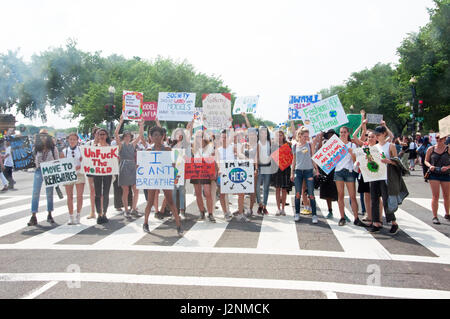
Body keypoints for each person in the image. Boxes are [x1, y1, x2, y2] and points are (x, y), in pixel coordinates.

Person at [142, 126, 184, 236]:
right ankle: (145, 223)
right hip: (153, 178)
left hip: (164, 178)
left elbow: (173, 164)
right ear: (150, 137)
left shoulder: (167, 149)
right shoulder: (149, 150)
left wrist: (172, 173)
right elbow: (144, 165)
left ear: (162, 136)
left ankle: (179, 225)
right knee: (150, 202)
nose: (157, 137)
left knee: (170, 202)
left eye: (159, 135)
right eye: (154, 135)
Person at [369, 125, 403, 234]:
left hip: (386, 176)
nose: (377, 137)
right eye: (376, 135)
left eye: (378, 135)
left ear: (384, 134)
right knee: (374, 199)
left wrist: (389, 161)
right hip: (375, 176)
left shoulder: (390, 146)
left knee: (386, 199)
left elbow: (397, 162)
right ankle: (376, 222)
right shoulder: (374, 147)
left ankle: (393, 222)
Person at [334, 126, 365, 227]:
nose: (342, 134)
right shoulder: (335, 145)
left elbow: (356, 160)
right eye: (341, 132)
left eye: (344, 132)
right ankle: (342, 217)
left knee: (352, 196)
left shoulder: (352, 145)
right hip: (338, 171)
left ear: (348, 133)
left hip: (349, 171)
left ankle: (356, 218)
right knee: (340, 195)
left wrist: (351, 153)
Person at [27, 130, 59, 226]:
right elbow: (31, 160)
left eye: (45, 136)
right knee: (35, 193)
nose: (43, 138)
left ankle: (49, 214)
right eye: (41, 136)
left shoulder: (53, 149)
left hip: (50, 171)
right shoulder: (36, 148)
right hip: (38, 170)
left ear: (48, 137)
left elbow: (57, 161)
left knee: (49, 193)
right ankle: (33, 215)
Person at [115, 115, 144, 218]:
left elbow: (140, 136)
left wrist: (141, 124)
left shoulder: (133, 144)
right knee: (125, 190)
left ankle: (133, 208)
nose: (127, 137)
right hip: (123, 167)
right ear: (124, 137)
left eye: (129, 136)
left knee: (136, 189)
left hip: (132, 167)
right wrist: (121, 121)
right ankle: (126, 209)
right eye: (126, 136)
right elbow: (115, 134)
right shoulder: (121, 145)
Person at [217, 129, 248, 222]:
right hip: (223, 174)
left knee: (241, 193)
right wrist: (219, 168)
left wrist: (247, 159)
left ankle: (241, 213)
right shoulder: (218, 150)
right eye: (222, 137)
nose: (224, 139)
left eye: (225, 137)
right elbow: (218, 160)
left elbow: (239, 154)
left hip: (233, 173)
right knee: (222, 194)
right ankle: (226, 213)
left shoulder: (232, 147)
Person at [290, 126, 319, 223]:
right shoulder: (294, 146)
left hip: (308, 171)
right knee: (297, 194)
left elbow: (313, 158)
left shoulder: (310, 145)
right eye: (304, 136)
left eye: (307, 136)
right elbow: (293, 160)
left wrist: (317, 169)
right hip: (298, 171)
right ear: (300, 135)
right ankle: (297, 213)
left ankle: (314, 215)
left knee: (311, 194)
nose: (306, 138)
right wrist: (291, 172)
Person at [424, 133, 450, 224]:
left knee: (446, 195)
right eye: (437, 138)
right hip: (434, 174)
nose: (439, 139)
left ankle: (447, 213)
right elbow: (426, 160)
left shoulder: (448, 149)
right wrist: (430, 166)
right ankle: (435, 216)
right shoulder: (431, 149)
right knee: (435, 196)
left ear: (445, 139)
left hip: (446, 174)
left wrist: (447, 167)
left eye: (441, 138)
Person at [191, 129, 216, 222]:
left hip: (206, 172)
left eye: (200, 136)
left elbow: (213, 160)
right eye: (197, 137)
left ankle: (210, 213)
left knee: (207, 193)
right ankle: (202, 212)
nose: (199, 138)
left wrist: (214, 172)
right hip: (196, 172)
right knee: (198, 194)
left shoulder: (210, 147)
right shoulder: (194, 148)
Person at [61, 132, 85, 225]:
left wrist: (80, 165)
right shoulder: (64, 151)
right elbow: (62, 164)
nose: (72, 141)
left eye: (74, 139)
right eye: (70, 139)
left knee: (79, 196)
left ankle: (78, 215)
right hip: (69, 174)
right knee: (69, 196)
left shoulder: (81, 150)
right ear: (68, 140)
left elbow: (85, 161)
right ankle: (71, 216)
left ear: (77, 140)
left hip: (79, 174)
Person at [171, 122, 193, 219]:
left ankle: (182, 211)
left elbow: (190, 133)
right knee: (173, 191)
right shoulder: (171, 146)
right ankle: (174, 211)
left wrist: (190, 125)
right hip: (173, 170)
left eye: (180, 133)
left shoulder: (186, 145)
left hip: (182, 170)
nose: (179, 135)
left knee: (182, 190)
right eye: (177, 133)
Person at [93, 128, 114, 225]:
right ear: (97, 135)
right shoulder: (94, 147)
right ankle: (99, 213)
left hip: (107, 173)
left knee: (105, 193)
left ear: (106, 136)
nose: (101, 136)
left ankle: (104, 213)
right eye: (100, 134)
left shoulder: (110, 147)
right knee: (97, 194)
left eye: (103, 134)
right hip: (97, 172)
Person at [270, 130, 293, 216]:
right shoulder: (273, 146)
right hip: (276, 169)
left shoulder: (288, 145)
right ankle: (278, 208)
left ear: (283, 136)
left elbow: (292, 156)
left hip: (286, 169)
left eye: (281, 135)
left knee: (284, 189)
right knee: (277, 189)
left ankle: (283, 208)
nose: (279, 137)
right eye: (278, 135)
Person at [317, 130, 338, 219]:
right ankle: (330, 210)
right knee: (327, 192)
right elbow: (319, 151)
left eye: (332, 134)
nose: (330, 136)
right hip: (326, 170)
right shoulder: (324, 143)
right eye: (329, 135)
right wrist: (320, 137)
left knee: (338, 192)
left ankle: (343, 212)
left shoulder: (338, 143)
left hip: (336, 170)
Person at [255, 126, 273, 216]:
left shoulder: (270, 142)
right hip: (260, 167)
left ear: (267, 133)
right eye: (261, 132)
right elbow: (257, 156)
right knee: (257, 187)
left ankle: (265, 206)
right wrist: (256, 168)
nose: (263, 134)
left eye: (265, 132)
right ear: (259, 133)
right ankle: (260, 204)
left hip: (268, 167)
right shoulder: (257, 143)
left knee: (266, 187)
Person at [86, 127, 100, 219]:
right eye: (97, 133)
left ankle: (100, 211)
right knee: (92, 191)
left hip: (101, 169)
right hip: (91, 168)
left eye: (101, 133)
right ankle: (92, 211)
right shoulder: (88, 144)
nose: (99, 135)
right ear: (94, 134)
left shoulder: (104, 144)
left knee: (100, 191)